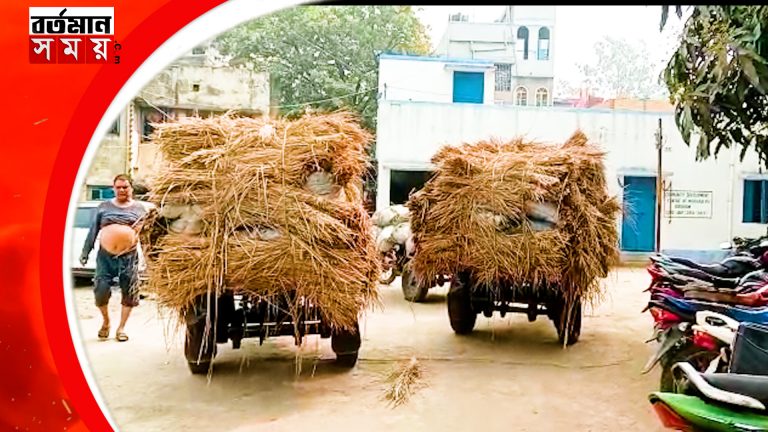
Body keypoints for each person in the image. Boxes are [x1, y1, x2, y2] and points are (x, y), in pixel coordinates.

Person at [80, 174, 147, 342]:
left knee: (130, 292)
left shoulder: (139, 209)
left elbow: (145, 235)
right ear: (113, 188)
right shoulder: (104, 207)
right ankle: (106, 322)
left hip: (129, 256)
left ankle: (121, 328)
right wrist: (85, 252)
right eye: (118, 187)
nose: (122, 190)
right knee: (100, 290)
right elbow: (93, 231)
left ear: (131, 188)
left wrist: (150, 258)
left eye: (125, 187)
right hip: (105, 257)